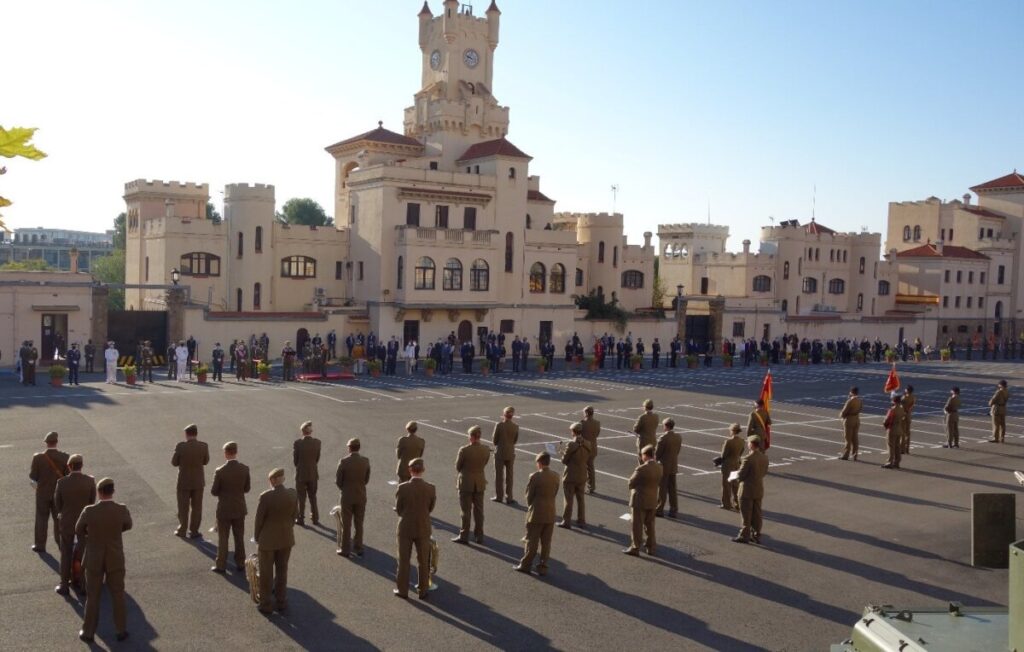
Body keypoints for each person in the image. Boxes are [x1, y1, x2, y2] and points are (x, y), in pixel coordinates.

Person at [75, 477, 132, 643]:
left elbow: (79, 529)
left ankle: (88, 632)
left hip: (94, 557)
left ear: (99, 492)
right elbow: (128, 525)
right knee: (118, 594)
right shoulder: (121, 509)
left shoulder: (89, 511)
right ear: (113, 491)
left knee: (93, 596)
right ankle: (121, 630)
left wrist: (91, 534)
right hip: (115, 557)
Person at [254, 468, 297, 614]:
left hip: (268, 540)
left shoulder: (266, 496)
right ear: (282, 479)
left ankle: (266, 604)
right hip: (286, 538)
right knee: (282, 570)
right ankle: (281, 601)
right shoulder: (292, 494)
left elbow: (259, 520)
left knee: (266, 573)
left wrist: (257, 537)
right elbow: (294, 516)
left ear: (272, 480)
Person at [54, 453, 96, 594]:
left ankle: (64, 585)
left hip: (67, 523)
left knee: (66, 553)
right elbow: (91, 502)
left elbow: (58, 504)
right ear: (81, 465)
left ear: (69, 466)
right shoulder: (90, 481)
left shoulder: (62, 482)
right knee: (83, 554)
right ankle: (83, 584)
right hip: (84, 524)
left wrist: (64, 513)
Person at [394, 458, 436, 599]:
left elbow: (399, 509)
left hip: (406, 527)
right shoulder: (431, 488)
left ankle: (402, 590)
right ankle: (423, 590)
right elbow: (430, 508)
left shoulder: (403, 488)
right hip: (423, 527)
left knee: (403, 560)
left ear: (410, 470)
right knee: (423, 561)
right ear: (423, 470)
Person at [514, 452, 560, 575]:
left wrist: (532, 506)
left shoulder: (535, 476)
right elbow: (555, 492)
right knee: (546, 543)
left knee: (532, 541)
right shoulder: (556, 476)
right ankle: (543, 567)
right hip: (550, 512)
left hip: (536, 512)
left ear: (539, 463)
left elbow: (529, 496)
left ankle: (526, 564)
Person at [210, 441, 250, 573]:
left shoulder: (220, 471)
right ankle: (241, 562)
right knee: (239, 537)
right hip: (239, 507)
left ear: (226, 453)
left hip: (224, 509)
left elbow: (214, 491)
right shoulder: (244, 469)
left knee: (223, 538)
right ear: (236, 452)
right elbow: (247, 488)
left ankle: (221, 564)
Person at [30, 431, 69, 552]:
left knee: (41, 519)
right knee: (59, 520)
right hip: (58, 494)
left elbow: (33, 476)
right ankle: (61, 544)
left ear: (46, 443)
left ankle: (40, 545)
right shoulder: (65, 457)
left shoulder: (38, 458)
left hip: (42, 493)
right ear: (56, 442)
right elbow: (68, 476)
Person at [453, 425, 489, 544]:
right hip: (479, 482)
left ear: (471, 437)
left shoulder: (464, 450)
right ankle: (479, 535)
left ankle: (464, 535)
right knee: (479, 511)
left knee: (465, 511)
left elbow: (458, 466)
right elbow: (485, 463)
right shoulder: (485, 449)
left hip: (466, 483)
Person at [172, 424, 210, 538]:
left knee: (183, 507)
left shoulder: (181, 446)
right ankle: (194, 530)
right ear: (196, 433)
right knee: (197, 507)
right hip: (198, 481)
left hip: (184, 481)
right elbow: (206, 461)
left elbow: (174, 462)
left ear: (186, 434)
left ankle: (182, 529)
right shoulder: (203, 446)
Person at [624, 445, 662, 556]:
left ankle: (635, 547)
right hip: (652, 499)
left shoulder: (641, 469)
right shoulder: (659, 467)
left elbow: (631, 483)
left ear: (645, 455)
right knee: (650, 525)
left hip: (640, 500)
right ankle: (651, 547)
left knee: (637, 525)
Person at [335, 438, 370, 557]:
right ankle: (358, 547)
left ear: (349, 448)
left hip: (347, 495)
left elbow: (338, 481)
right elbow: (366, 479)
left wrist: (344, 489)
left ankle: (345, 549)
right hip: (360, 494)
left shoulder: (344, 461)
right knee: (359, 522)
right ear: (359, 447)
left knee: (346, 523)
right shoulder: (365, 461)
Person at [732, 436, 769, 544]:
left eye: (748, 443)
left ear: (752, 444)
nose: (747, 444)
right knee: (757, 514)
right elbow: (764, 472)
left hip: (746, 490)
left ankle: (744, 535)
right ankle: (756, 535)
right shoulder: (764, 457)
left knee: (746, 515)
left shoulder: (748, 459)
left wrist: (734, 476)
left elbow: (740, 476)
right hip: (758, 489)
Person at [559, 423, 590, 529]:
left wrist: (562, 454)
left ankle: (566, 521)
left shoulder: (571, 444)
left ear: (573, 431)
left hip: (571, 475)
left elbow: (564, 460)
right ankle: (581, 520)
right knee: (581, 499)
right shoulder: (588, 443)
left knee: (568, 499)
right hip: (582, 474)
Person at [293, 421, 321, 526]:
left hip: (301, 474)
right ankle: (315, 518)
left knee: (301, 497)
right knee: (313, 496)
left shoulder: (298, 443)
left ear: (302, 431)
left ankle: (301, 518)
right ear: (311, 431)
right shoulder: (317, 442)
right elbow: (317, 458)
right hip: (313, 473)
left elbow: (295, 460)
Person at [491, 406, 519, 504]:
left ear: (504, 414)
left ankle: (499, 496)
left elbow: (495, 441)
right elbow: (515, 440)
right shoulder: (515, 426)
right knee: (509, 476)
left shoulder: (499, 425)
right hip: (510, 452)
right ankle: (509, 497)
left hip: (500, 453)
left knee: (499, 476)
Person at [655, 418, 681, 518]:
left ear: (666, 426)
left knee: (662, 489)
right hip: (673, 465)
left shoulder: (663, 438)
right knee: (672, 489)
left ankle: (659, 509)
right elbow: (677, 451)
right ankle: (674, 510)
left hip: (664, 466)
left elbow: (657, 454)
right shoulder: (678, 436)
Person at [719, 424, 745, 510]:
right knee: (735, 485)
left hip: (728, 466)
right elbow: (741, 452)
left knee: (726, 485)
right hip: (736, 464)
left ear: (733, 431)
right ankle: (737, 503)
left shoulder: (728, 442)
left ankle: (726, 504)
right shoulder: (742, 441)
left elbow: (723, 455)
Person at [881, 393, 906, 469]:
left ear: (894, 401)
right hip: (899, 428)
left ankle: (890, 462)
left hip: (892, 429)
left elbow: (887, 420)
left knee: (891, 446)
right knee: (897, 447)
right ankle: (897, 462)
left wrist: (884, 424)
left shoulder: (892, 409)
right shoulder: (901, 408)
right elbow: (903, 417)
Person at [581, 406, 601, 494]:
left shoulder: (582, 423)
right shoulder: (597, 423)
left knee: (582, 468)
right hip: (593, 447)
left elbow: (579, 435)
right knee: (590, 468)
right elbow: (597, 434)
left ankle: (583, 486)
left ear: (586, 413)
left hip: (584, 448)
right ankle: (591, 486)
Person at [839, 386, 862, 461]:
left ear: (851, 392)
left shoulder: (850, 401)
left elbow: (844, 411)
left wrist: (841, 416)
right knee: (855, 438)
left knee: (848, 438)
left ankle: (846, 454)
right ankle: (855, 455)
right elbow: (860, 409)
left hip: (849, 420)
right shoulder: (859, 400)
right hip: (856, 419)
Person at [901, 385, 916, 454]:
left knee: (902, 433)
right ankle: (907, 449)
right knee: (908, 433)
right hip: (909, 415)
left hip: (903, 415)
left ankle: (902, 449)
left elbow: (901, 405)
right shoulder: (913, 397)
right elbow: (912, 406)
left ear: (907, 390)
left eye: (905, 389)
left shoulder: (904, 397)